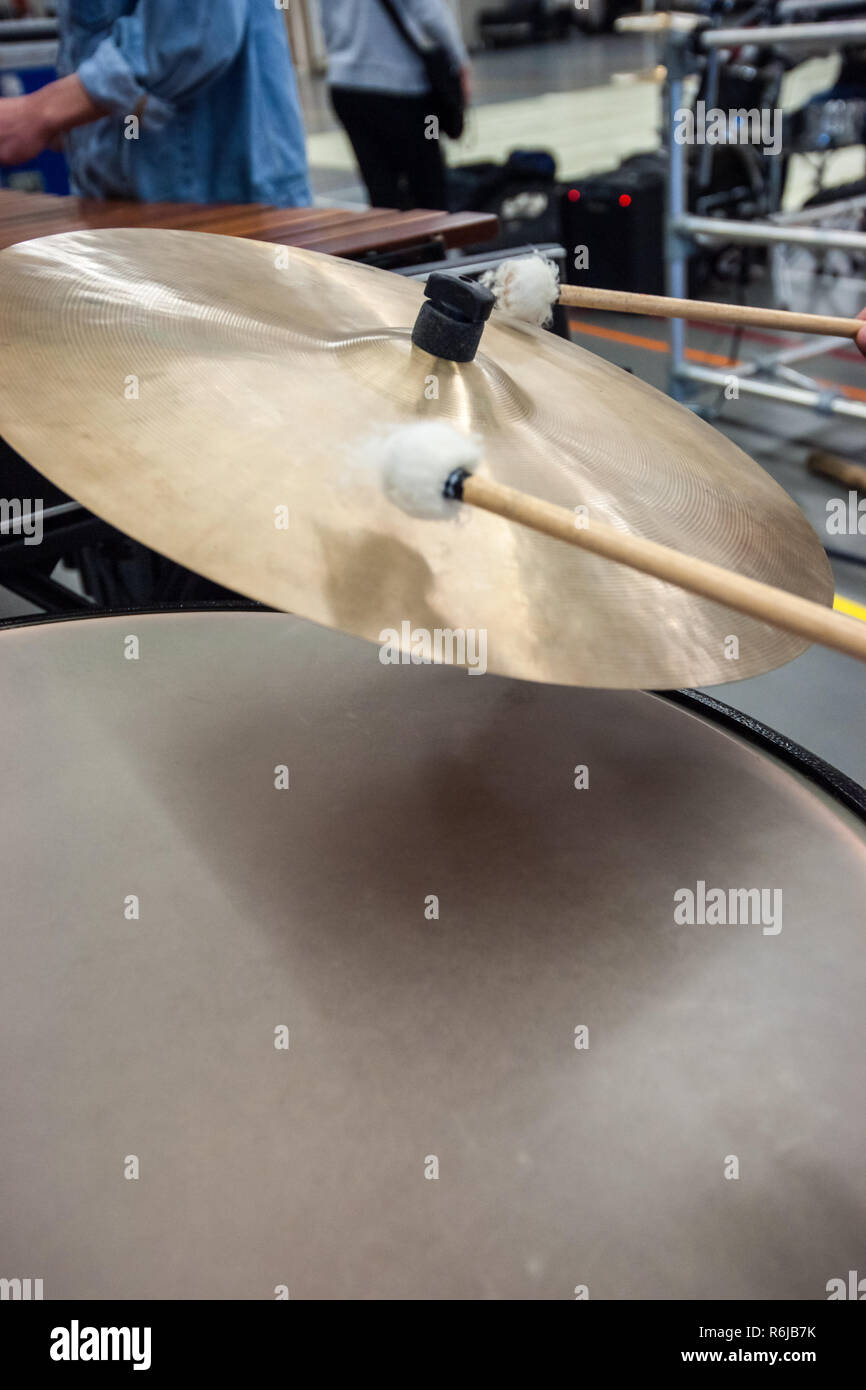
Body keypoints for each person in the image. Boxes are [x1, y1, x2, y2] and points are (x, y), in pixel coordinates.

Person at [0, 0, 311, 206]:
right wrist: (77, 130)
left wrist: (38, 114)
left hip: (219, 197)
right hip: (125, 200)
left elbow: (191, 33)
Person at [321, 0, 471, 211]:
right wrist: (460, 61)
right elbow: (430, 13)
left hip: (347, 87)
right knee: (428, 182)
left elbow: (327, 22)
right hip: (403, 88)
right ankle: (433, 240)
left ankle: (391, 240)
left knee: (381, 189)